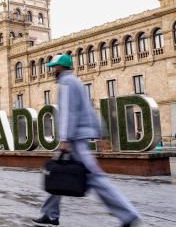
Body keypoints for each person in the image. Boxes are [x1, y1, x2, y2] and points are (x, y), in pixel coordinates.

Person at [32, 54, 140, 227]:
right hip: (78, 136)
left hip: (74, 140)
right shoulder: (76, 82)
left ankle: (128, 215)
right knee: (57, 171)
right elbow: (90, 110)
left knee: (95, 178)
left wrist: (65, 139)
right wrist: (99, 135)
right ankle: (50, 214)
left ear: (61, 68)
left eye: (55, 67)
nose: (53, 70)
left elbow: (68, 112)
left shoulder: (66, 83)